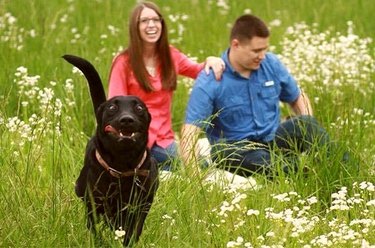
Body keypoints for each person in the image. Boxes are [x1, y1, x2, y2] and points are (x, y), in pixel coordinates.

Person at [180, 14, 330, 177]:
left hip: (273, 140)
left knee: (306, 123)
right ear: (236, 45)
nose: (262, 56)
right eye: (256, 51)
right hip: (236, 150)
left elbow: (297, 97)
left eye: (265, 49)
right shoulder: (211, 79)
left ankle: (339, 169)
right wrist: (194, 176)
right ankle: (303, 174)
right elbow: (189, 132)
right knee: (232, 153)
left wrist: (305, 127)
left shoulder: (271, 63)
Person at [108, 1, 225, 169]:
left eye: (156, 20)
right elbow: (115, 105)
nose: (152, 25)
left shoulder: (170, 55)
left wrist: (211, 60)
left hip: (163, 139)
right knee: (192, 164)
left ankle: (156, 166)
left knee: (197, 164)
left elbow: (198, 71)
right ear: (135, 27)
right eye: (144, 21)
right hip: (135, 138)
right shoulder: (123, 62)